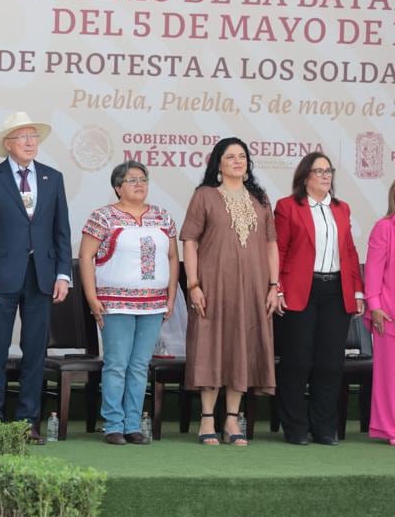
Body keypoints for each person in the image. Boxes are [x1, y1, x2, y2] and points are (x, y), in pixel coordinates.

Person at [0, 111, 71, 442]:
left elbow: (61, 231)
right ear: (8, 144)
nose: (31, 142)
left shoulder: (52, 178)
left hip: (41, 276)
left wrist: (63, 273)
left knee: (35, 351)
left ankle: (28, 420)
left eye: (34, 137)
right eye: (23, 137)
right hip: (0, 277)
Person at [180, 137, 280, 446]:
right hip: (213, 286)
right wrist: (193, 284)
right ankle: (207, 418)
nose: (238, 161)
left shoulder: (260, 199)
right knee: (211, 346)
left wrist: (273, 286)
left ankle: (232, 420)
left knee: (243, 347)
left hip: (252, 289)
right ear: (218, 165)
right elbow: (190, 242)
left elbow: (271, 245)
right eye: (230, 157)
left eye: (242, 156)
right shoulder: (205, 196)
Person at [79, 161, 179, 445]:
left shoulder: (162, 216)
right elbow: (86, 257)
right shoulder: (103, 217)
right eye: (132, 179)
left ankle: (133, 425)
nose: (139, 183)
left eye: (143, 178)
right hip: (115, 304)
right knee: (116, 363)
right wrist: (91, 297)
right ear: (117, 187)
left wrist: (171, 296)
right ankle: (113, 424)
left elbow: (173, 258)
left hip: (153, 304)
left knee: (139, 365)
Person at [274, 152, 364, 446]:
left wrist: (357, 291)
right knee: (297, 361)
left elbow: (349, 251)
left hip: (336, 291)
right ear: (305, 177)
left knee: (330, 363)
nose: (326, 176)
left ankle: (324, 427)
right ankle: (296, 427)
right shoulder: (288, 207)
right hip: (302, 290)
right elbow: (281, 251)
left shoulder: (342, 208)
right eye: (320, 171)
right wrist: (278, 289)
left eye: (329, 171)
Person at [362, 180, 394, 445]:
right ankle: (390, 429)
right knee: (389, 378)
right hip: (388, 315)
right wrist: (375, 307)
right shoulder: (385, 228)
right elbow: (372, 270)